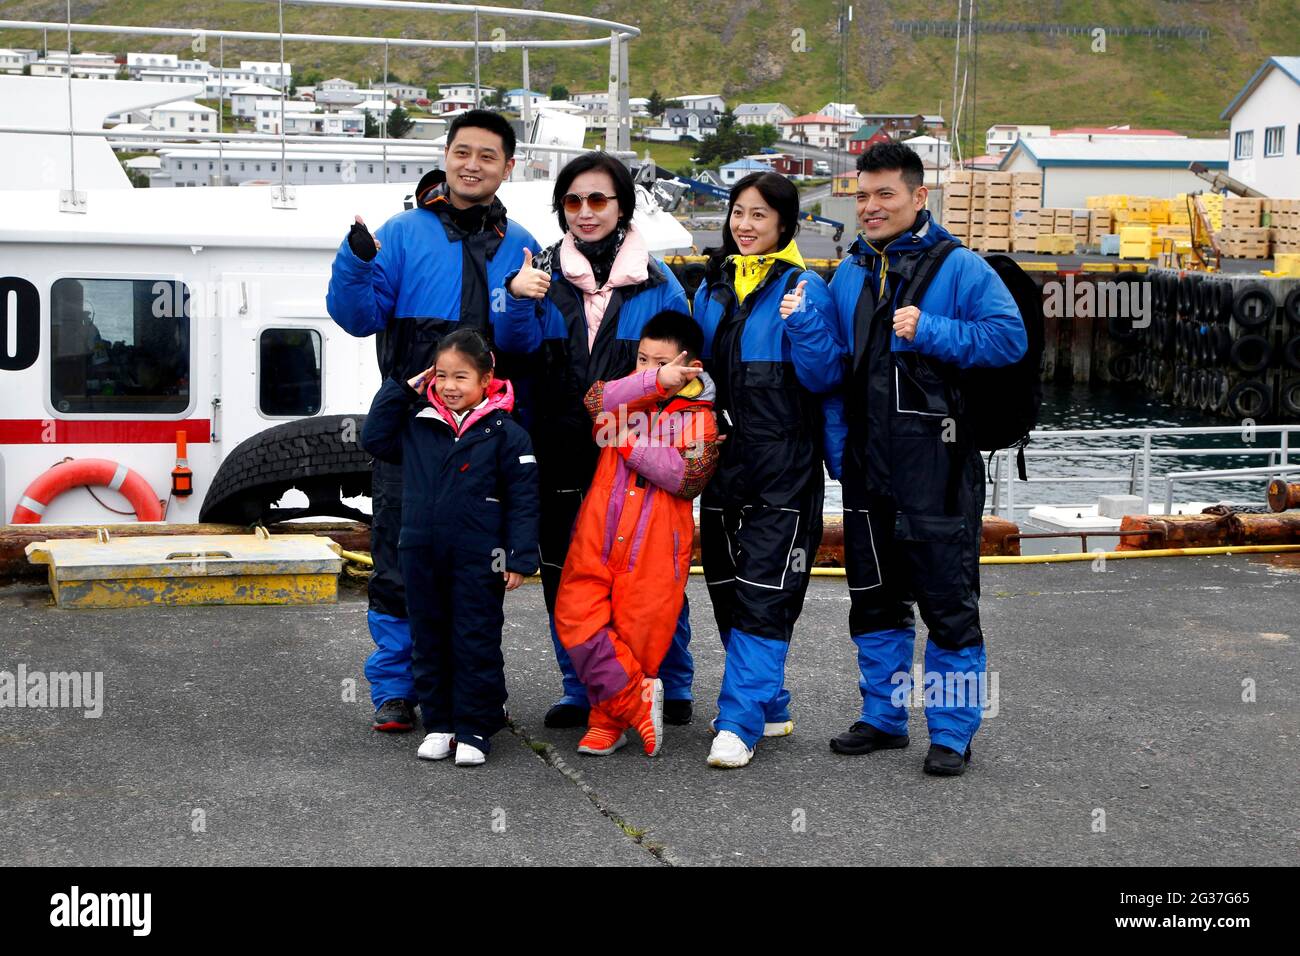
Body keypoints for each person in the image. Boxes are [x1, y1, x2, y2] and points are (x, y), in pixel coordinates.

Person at [326, 110, 541, 734]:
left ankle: (475, 693)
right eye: (462, 152)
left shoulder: (521, 241)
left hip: (487, 440)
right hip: (414, 433)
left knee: (480, 572)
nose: (473, 164)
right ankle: (396, 689)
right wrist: (356, 259)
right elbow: (357, 317)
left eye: (488, 156)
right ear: (445, 155)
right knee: (399, 563)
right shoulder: (401, 232)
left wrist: (522, 299)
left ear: (507, 166)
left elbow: (525, 346)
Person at [824, 142, 1026, 776]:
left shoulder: (961, 267)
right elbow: (835, 373)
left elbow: (1008, 339)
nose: (872, 207)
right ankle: (884, 719)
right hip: (867, 468)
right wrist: (838, 449)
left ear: (919, 197)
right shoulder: (850, 271)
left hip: (938, 469)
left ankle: (951, 732)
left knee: (948, 604)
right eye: (863, 195)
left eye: (886, 194)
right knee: (874, 600)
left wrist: (930, 329)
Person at [499, 151, 698, 729]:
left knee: (651, 572)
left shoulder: (660, 284)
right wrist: (516, 298)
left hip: (634, 452)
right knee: (567, 572)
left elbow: (683, 378)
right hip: (558, 446)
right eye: (572, 202)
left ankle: (665, 680)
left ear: (623, 206)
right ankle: (582, 687)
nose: (585, 213)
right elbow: (514, 351)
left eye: (598, 200)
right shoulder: (537, 275)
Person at [692, 172, 843, 769]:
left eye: (759, 215)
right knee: (726, 585)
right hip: (724, 464)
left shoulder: (806, 287)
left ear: (785, 224)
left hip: (785, 467)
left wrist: (803, 324)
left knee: (765, 590)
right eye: (737, 212)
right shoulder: (712, 288)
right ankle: (771, 703)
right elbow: (696, 373)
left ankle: (739, 720)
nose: (745, 225)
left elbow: (827, 375)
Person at [359, 329, 540, 766]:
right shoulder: (418, 423)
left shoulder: (507, 432)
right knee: (429, 638)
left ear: (486, 379)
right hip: (420, 553)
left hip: (480, 558)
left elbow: (524, 498)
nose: (450, 386)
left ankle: (476, 727)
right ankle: (439, 723)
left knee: (474, 639)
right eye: (441, 375)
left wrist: (518, 556)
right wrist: (402, 389)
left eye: (461, 376)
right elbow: (373, 439)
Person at [553, 312, 719, 757]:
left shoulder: (703, 418)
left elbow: (687, 478)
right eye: (642, 359)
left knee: (636, 635)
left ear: (691, 365)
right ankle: (635, 700)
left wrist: (625, 439)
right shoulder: (625, 396)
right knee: (573, 616)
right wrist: (650, 384)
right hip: (597, 535)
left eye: (661, 362)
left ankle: (608, 721)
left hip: (656, 547)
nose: (648, 369)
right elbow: (594, 402)